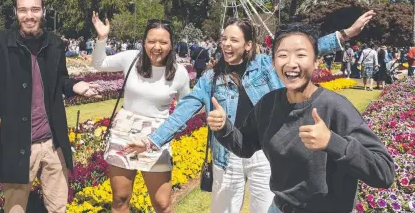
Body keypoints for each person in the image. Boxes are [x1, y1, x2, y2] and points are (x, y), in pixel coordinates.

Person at [126, 11, 376, 213]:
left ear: (248, 45)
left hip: (264, 153)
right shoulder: (211, 77)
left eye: (234, 40)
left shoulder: (267, 66)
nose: (226, 44)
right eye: (224, 38)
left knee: (263, 206)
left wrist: (345, 34)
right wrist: (152, 141)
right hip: (228, 153)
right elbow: (184, 111)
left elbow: (307, 49)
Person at [208, 23, 394, 213]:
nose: (291, 63)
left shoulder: (335, 107)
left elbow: (384, 172)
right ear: (273, 63)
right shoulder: (268, 104)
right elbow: (245, 146)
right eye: (282, 55)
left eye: (301, 55)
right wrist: (224, 127)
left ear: (315, 61)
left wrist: (333, 142)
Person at [0, 0, 101, 213]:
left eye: (34, 9)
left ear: (43, 11)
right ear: (16, 12)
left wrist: (74, 85)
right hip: (17, 143)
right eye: (23, 10)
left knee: (58, 207)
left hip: (53, 144)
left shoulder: (54, 44)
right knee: (15, 208)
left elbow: (60, 78)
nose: (29, 15)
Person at [91, 13, 190, 213]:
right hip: (124, 133)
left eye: (163, 42)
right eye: (152, 41)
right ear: (144, 42)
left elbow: (184, 111)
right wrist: (102, 38)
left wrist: (165, 135)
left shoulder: (179, 73)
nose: (157, 47)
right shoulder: (130, 58)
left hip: (157, 137)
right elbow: (98, 64)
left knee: (162, 204)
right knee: (120, 199)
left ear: (171, 44)